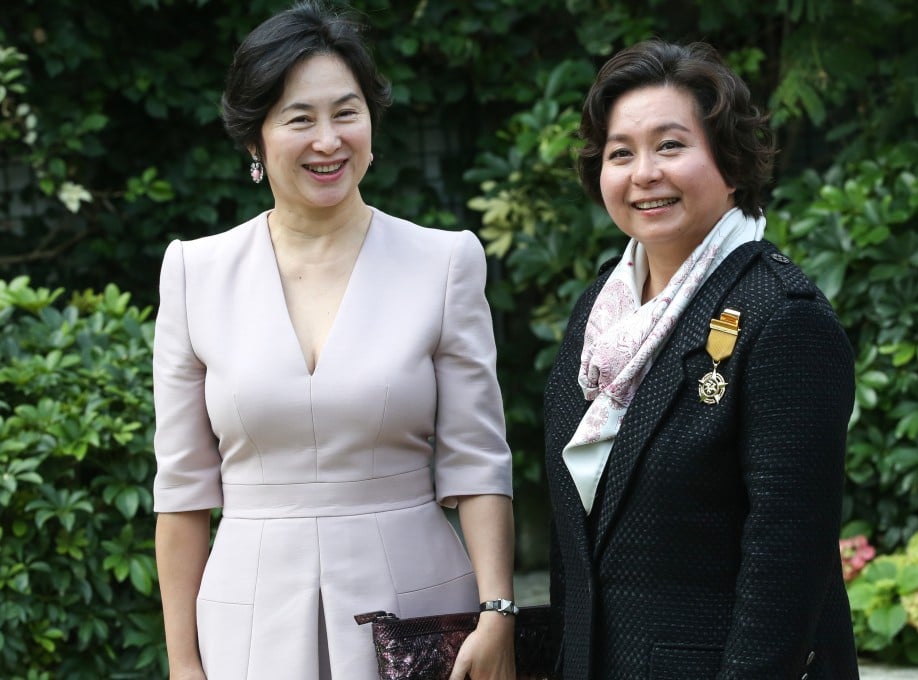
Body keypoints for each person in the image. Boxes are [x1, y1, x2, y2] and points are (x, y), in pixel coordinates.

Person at [152, 3, 517, 678]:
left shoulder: (444, 261)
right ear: (255, 140)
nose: (328, 140)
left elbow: (477, 460)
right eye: (299, 118)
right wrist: (182, 662)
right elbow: (182, 492)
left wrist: (498, 610)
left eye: (346, 112)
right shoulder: (193, 273)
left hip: (417, 611)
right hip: (247, 617)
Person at [544, 40, 859, 679]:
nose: (644, 173)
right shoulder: (602, 310)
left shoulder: (782, 316)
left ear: (732, 162)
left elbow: (788, 559)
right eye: (620, 153)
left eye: (670, 145)